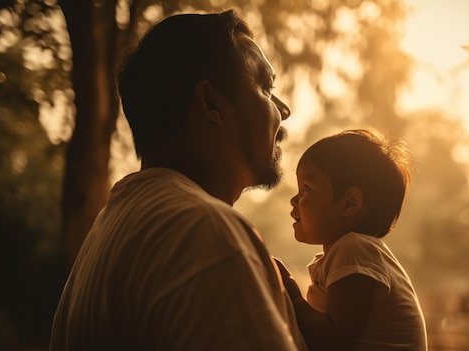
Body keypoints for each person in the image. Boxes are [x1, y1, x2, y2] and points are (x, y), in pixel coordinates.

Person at [50, 10, 307, 350]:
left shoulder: (111, 226)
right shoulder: (204, 233)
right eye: (265, 87)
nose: (283, 109)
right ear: (210, 102)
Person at [275, 129, 428, 351]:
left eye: (307, 188)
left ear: (350, 203)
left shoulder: (353, 249)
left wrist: (290, 295)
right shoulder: (351, 252)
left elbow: (333, 340)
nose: (294, 199)